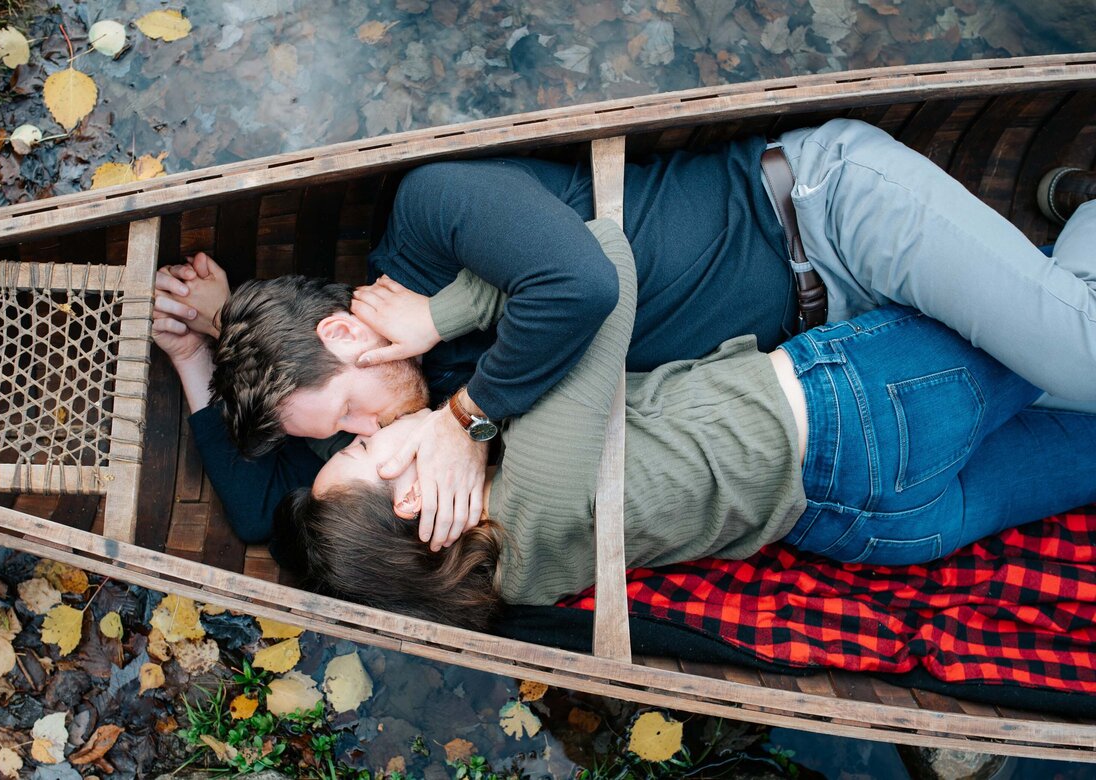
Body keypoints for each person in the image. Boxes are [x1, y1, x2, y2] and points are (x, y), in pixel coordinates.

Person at [153, 118, 1096, 552]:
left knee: (1083, 357)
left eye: (353, 416)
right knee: (1065, 384)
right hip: (852, 343)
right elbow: (257, 514)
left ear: (348, 334)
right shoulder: (413, 387)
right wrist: (201, 352)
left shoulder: (431, 215)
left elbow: (583, 279)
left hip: (826, 222)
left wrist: (466, 417)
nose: (372, 441)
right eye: (351, 441)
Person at [270, 220, 1096, 631]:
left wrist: (207, 353)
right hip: (871, 411)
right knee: (1077, 320)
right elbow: (602, 266)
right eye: (363, 452)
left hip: (874, 527)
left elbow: (258, 511)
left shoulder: (509, 581)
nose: (367, 434)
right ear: (413, 504)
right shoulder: (542, 488)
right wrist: (458, 397)